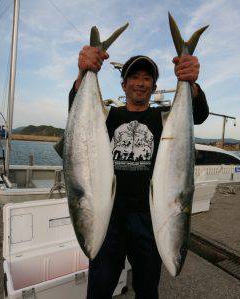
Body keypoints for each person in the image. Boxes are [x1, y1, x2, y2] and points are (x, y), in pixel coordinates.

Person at [68, 45, 209, 298]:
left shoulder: (165, 119)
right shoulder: (106, 115)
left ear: (154, 88)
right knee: (99, 287)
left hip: (149, 214)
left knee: (147, 287)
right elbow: (76, 110)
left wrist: (191, 84)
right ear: (124, 85)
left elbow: (198, 114)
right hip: (107, 213)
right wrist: (83, 73)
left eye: (147, 79)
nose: (140, 83)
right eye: (134, 77)